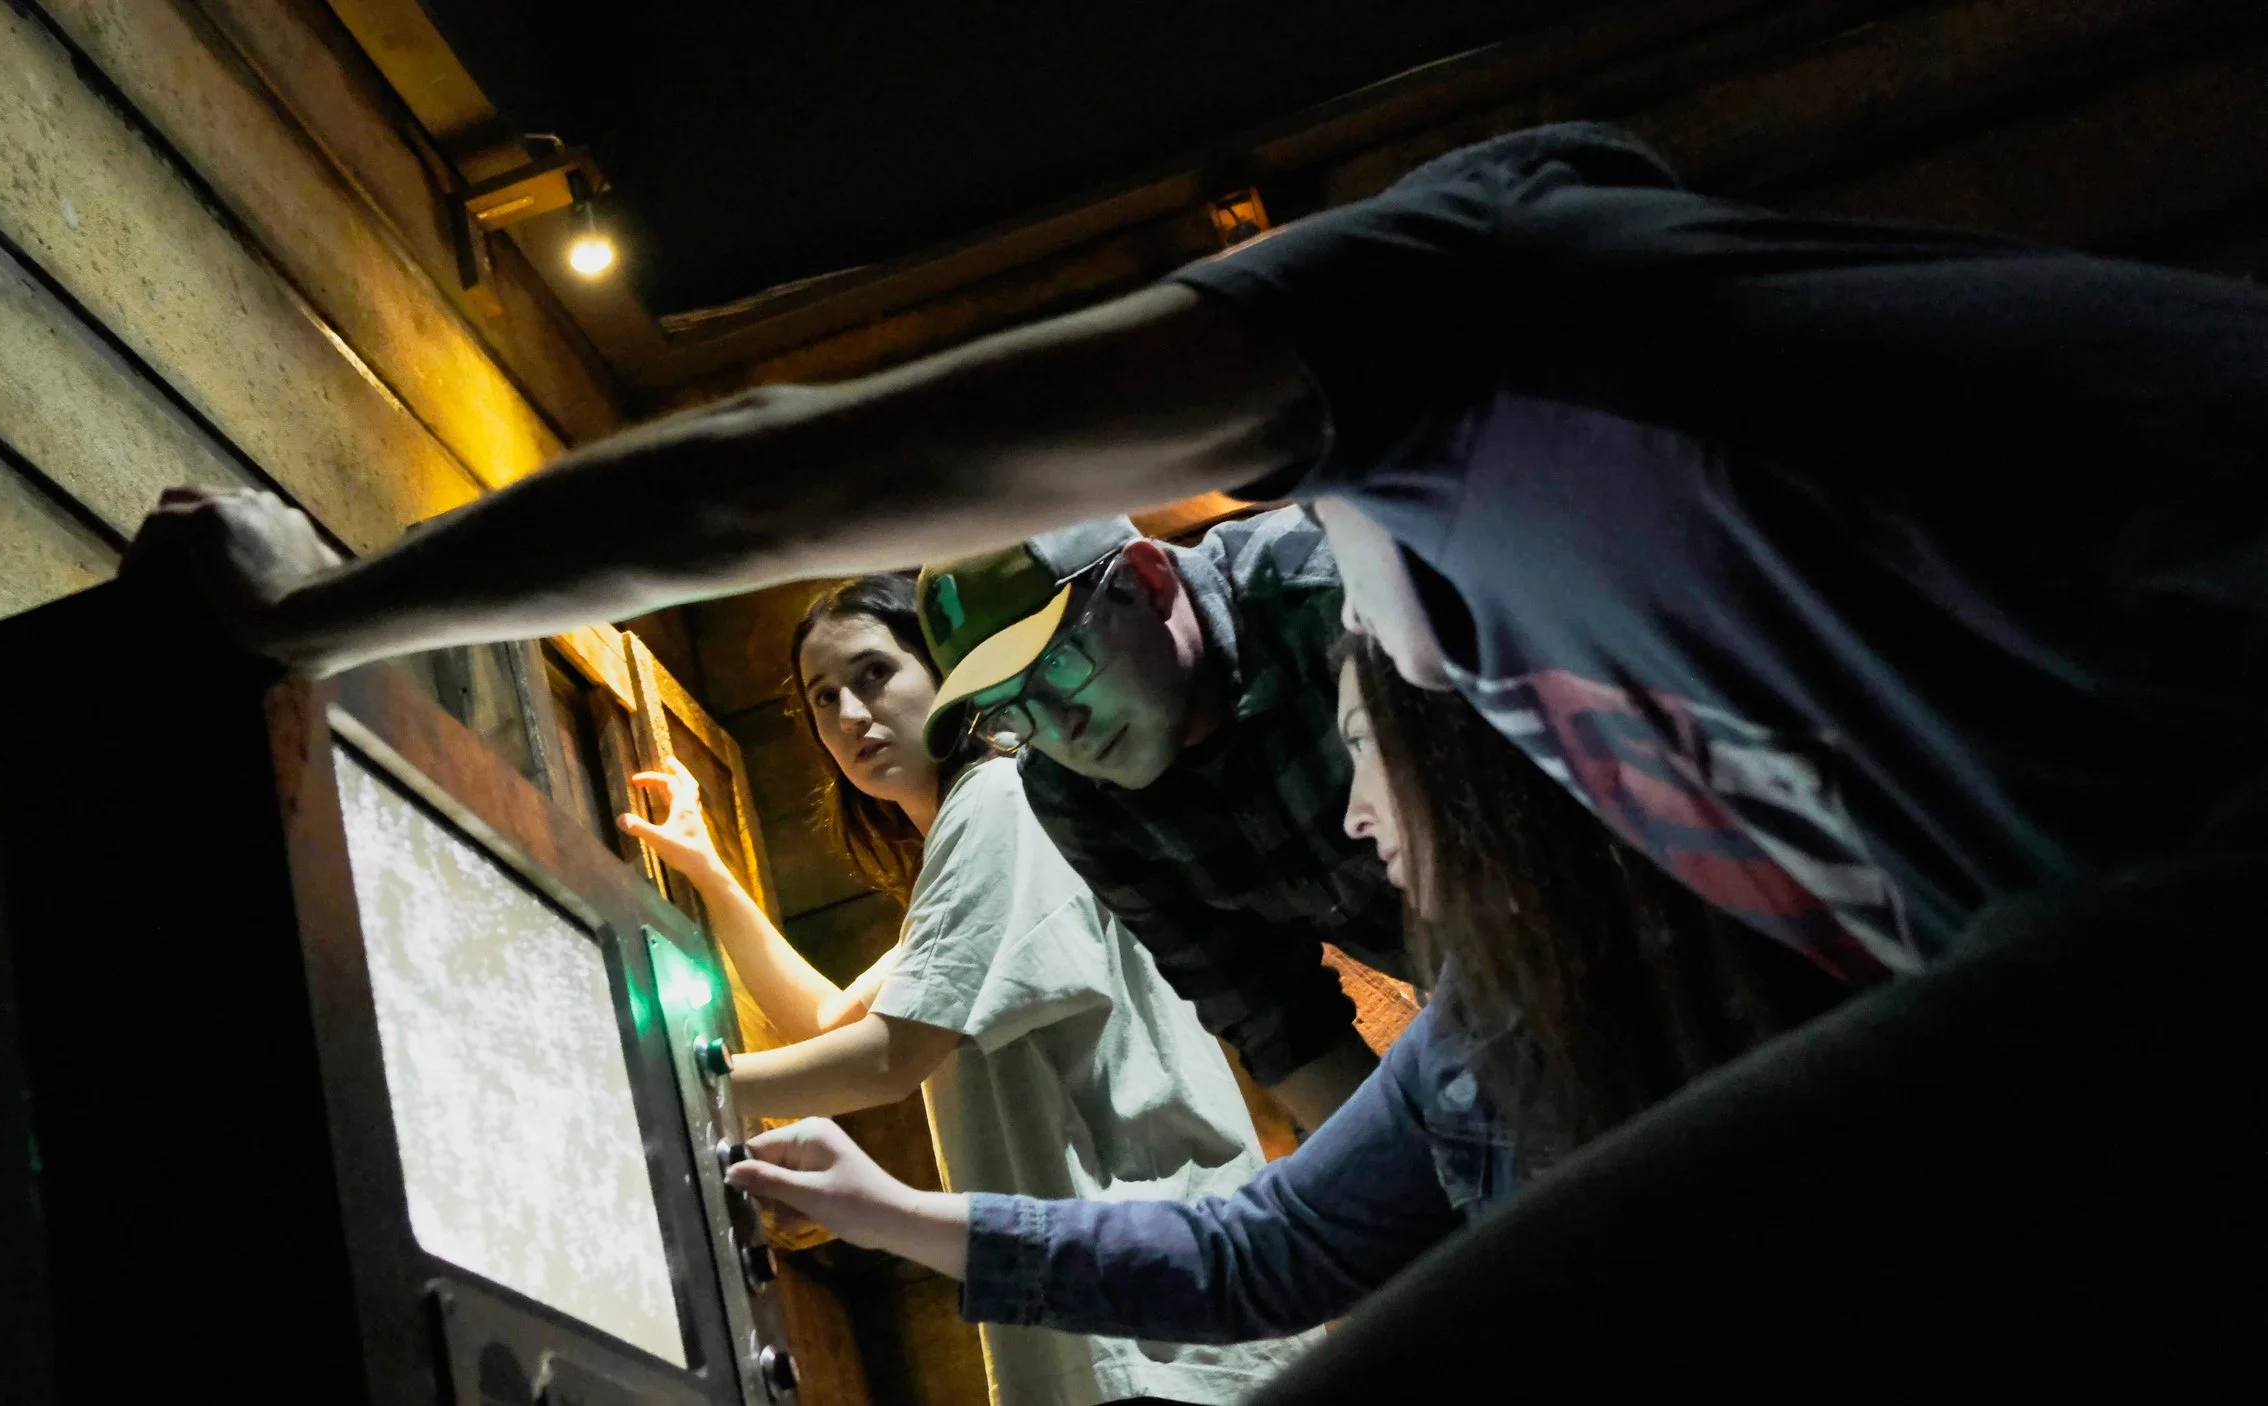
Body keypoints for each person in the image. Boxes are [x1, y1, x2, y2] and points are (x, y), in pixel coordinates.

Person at [130, 120, 2266, 1368]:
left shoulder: (1458, 326)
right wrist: (892, 1212)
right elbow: (1293, 1214)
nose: (1351, 832)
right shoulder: (1607, 836)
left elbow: (773, 482)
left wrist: (314, 614)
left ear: (1186, 569)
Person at [718, 634, 1838, 1334]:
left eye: (1365, 750)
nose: (1349, 815)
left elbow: (881, 1046)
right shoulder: (1464, 1048)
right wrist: (896, 1212)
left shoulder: (1748, 960)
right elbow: (1265, 1246)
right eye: (821, 697)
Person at [618, 572, 1316, 1406]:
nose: (849, 716)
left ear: (943, 672)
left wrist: (656, 1088)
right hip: (1142, 1311)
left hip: (1156, 1330)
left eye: (874, 674)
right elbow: (833, 1019)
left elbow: (887, 1060)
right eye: (823, 697)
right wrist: (708, 868)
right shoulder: (981, 833)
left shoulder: (1003, 800)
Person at [902, 509, 1409, 1131]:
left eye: (1060, 665)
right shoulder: (1071, 791)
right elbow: (1275, 1019)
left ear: (1147, 579)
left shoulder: (1331, 590)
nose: (1062, 731)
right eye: (1012, 707)